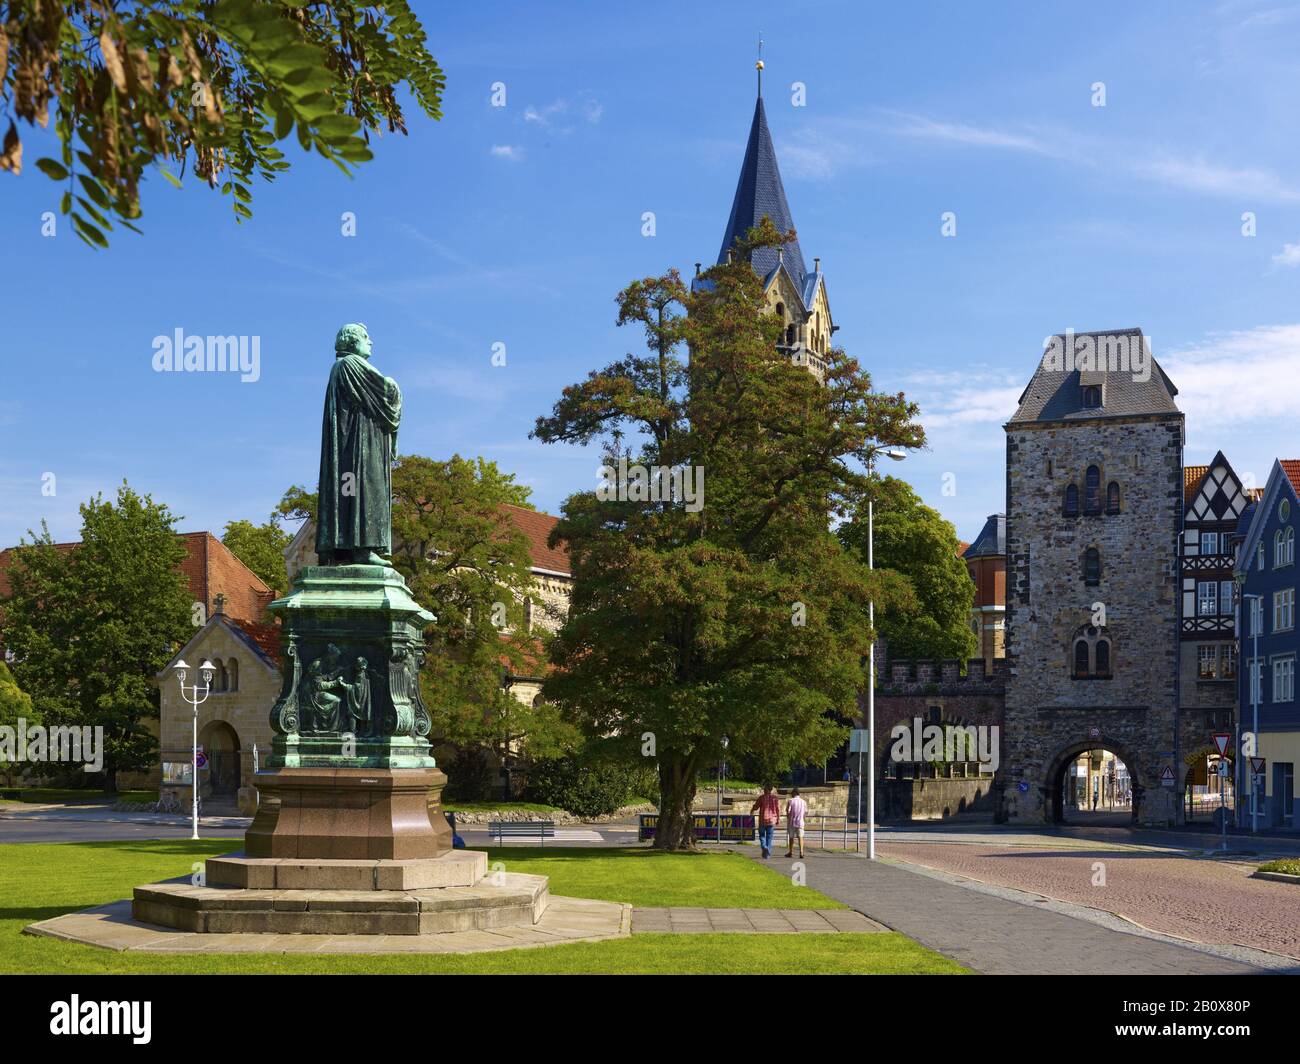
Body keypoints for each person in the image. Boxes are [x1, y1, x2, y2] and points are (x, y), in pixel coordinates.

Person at [750, 784, 780, 859]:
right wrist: (778, 819)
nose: (763, 790)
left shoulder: (762, 798)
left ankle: (764, 847)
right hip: (771, 821)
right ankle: (767, 854)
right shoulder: (775, 798)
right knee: (769, 838)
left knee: (762, 836)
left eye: (764, 789)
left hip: (763, 820)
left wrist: (752, 811)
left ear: (766, 789)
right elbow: (777, 809)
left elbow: (756, 806)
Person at [784, 786, 807, 859]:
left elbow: (788, 811)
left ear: (794, 793)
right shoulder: (803, 802)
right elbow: (805, 813)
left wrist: (788, 818)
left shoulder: (791, 801)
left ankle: (791, 852)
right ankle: (801, 852)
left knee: (791, 837)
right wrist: (803, 819)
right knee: (801, 837)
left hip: (792, 822)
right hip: (800, 822)